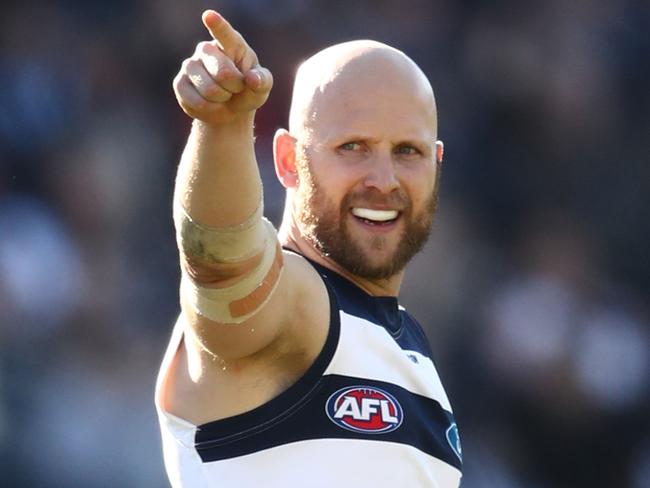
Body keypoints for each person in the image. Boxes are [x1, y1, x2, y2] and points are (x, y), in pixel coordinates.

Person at [155, 9, 462, 487]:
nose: (383, 181)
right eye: (352, 147)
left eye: (407, 151)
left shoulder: (408, 344)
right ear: (287, 161)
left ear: (436, 164)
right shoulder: (294, 305)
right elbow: (221, 261)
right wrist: (223, 128)